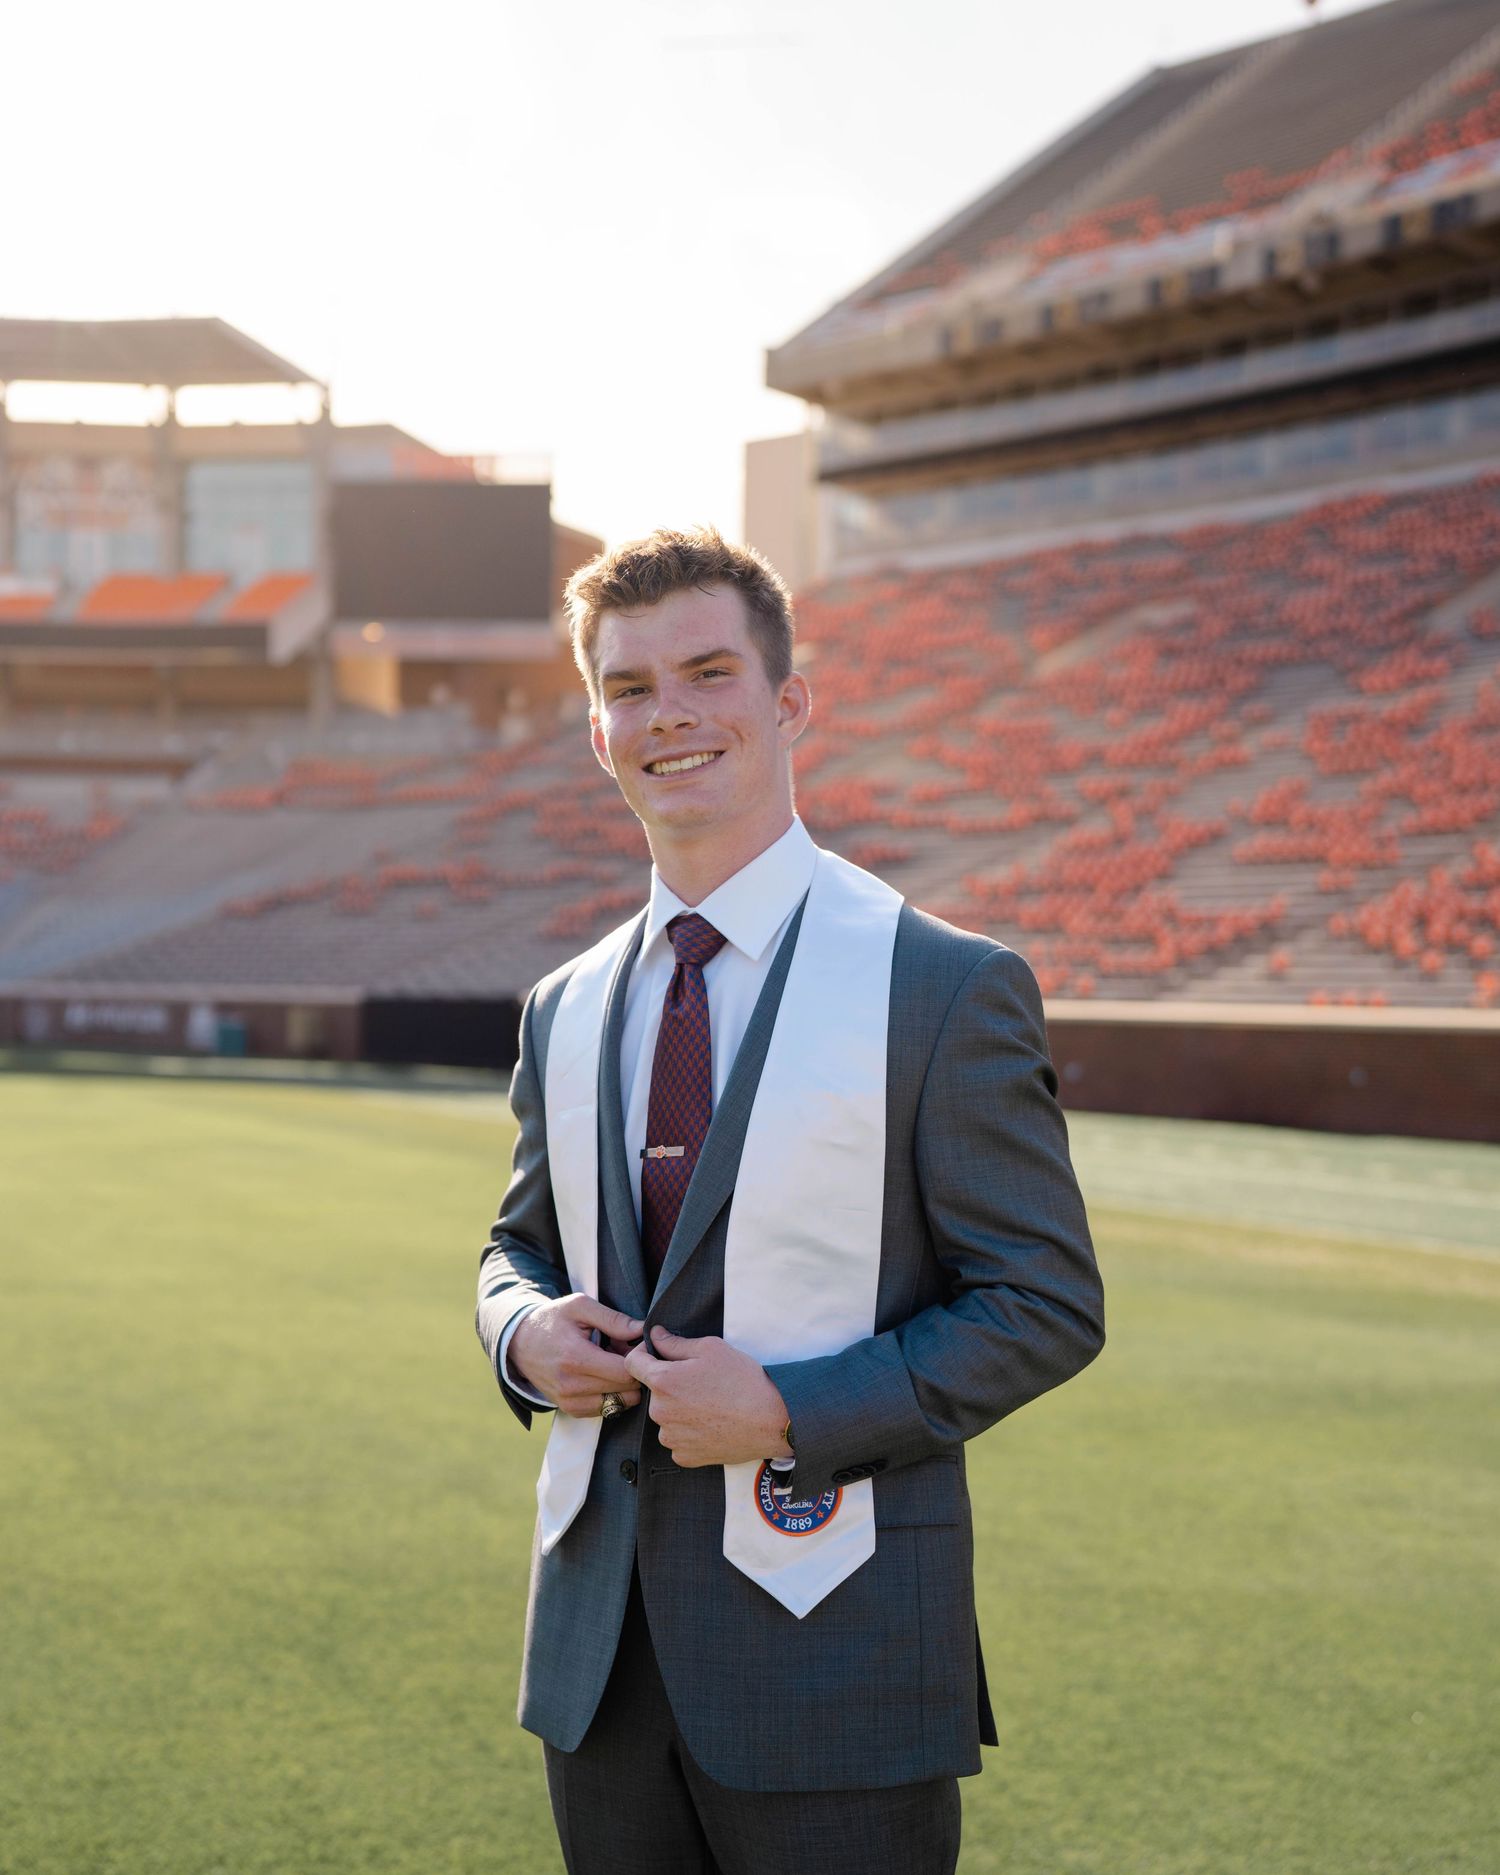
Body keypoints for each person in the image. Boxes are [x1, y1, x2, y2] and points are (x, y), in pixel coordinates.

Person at [475, 526, 1104, 1875]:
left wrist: (787, 1411)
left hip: (842, 1651)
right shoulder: (566, 1005)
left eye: (708, 672)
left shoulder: (939, 987)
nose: (670, 714)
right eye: (631, 688)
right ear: (597, 729)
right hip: (602, 1661)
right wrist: (521, 1336)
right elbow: (516, 1250)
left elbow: (1044, 1304)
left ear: (789, 701)